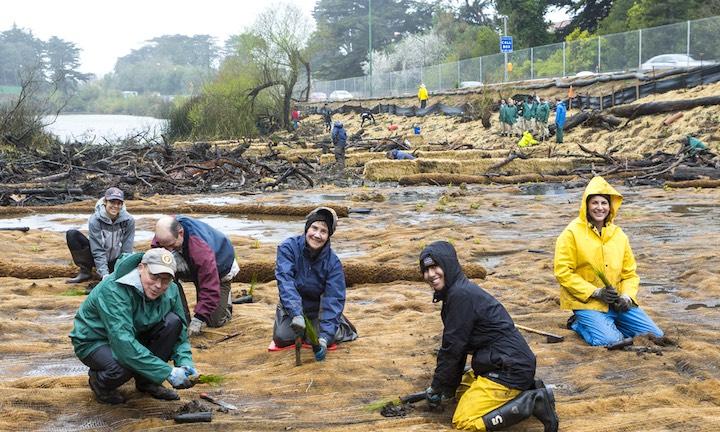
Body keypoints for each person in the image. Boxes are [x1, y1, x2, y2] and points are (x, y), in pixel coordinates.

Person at [420, 241, 558, 431]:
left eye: (435, 266)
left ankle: (531, 402)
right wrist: (445, 387)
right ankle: (527, 389)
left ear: (448, 264)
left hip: (509, 368)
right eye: (426, 270)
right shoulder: (457, 292)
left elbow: (452, 349)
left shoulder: (460, 295)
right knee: (459, 394)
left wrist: (437, 387)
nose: (430, 274)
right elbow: (457, 350)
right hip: (501, 361)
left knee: (463, 422)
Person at [69, 248, 198, 405]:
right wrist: (167, 372)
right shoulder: (113, 290)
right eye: (154, 276)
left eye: (165, 280)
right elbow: (124, 344)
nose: (159, 285)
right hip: (94, 339)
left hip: (134, 333)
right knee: (123, 366)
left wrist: (185, 363)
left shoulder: (172, 290)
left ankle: (148, 382)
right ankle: (100, 383)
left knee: (173, 322)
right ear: (141, 268)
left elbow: (180, 334)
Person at [554, 176, 664, 347]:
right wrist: (596, 292)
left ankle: (607, 323)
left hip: (617, 303)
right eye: (594, 203)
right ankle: (578, 323)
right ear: (586, 205)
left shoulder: (619, 235)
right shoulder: (571, 233)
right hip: (588, 302)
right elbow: (563, 272)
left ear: (610, 206)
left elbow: (630, 274)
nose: (600, 208)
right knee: (611, 341)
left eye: (604, 203)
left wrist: (627, 297)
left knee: (656, 336)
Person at [272, 207, 358, 361]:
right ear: (307, 228)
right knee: (282, 338)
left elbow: (333, 299)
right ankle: (293, 319)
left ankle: (341, 327)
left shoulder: (333, 263)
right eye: (314, 228)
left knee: (322, 339)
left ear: (328, 236)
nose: (317, 235)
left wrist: (324, 338)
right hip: (291, 308)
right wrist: (295, 313)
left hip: (318, 310)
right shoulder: (288, 248)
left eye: (323, 231)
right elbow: (285, 282)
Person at [153, 215, 239, 337]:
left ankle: (226, 303)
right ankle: (183, 317)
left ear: (181, 233)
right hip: (189, 261)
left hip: (220, 267)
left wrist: (198, 318)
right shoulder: (165, 233)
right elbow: (155, 254)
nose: (168, 249)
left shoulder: (200, 249)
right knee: (165, 273)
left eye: (171, 245)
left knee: (214, 321)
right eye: (164, 245)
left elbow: (209, 287)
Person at [66, 187, 135, 285]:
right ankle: (85, 271)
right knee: (72, 234)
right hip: (96, 258)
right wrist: (104, 274)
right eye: (112, 202)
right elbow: (97, 249)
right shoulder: (95, 220)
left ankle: (113, 272)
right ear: (105, 202)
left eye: (119, 203)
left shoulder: (129, 221)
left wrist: (123, 272)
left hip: (115, 260)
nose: (115, 206)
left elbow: (127, 250)